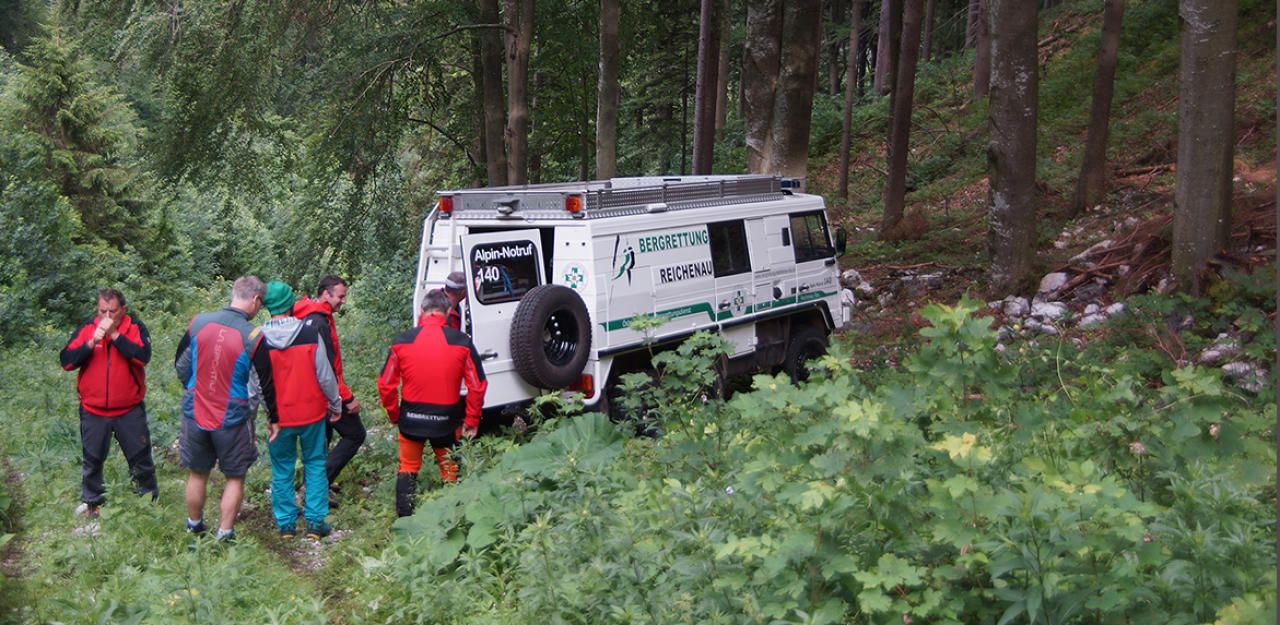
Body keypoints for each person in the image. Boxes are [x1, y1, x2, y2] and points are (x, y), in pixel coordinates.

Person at [174, 276, 273, 544]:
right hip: (233, 416)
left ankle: (194, 526)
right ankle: (225, 534)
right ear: (255, 300)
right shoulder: (253, 336)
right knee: (235, 475)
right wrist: (273, 418)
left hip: (195, 409)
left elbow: (181, 364)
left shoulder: (199, 322)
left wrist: (194, 388)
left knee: (197, 472)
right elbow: (265, 384)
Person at [378, 289, 487, 517]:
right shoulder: (462, 342)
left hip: (411, 417)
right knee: (450, 469)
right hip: (446, 420)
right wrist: (472, 419)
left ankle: (405, 521)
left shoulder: (402, 341)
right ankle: (454, 518)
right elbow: (477, 385)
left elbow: (386, 384)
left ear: (422, 310)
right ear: (448, 312)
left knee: (408, 467)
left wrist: (395, 414)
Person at [251, 282, 340, 539]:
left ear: (266, 306)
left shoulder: (257, 338)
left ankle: (286, 524)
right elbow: (325, 375)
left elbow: (255, 383)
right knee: (315, 463)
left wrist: (261, 414)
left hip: (278, 417)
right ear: (291, 304)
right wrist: (335, 403)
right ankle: (315, 522)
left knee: (282, 468)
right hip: (312, 413)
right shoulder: (309, 333)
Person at [59, 288, 157, 517]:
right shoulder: (87, 328)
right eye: (103, 311)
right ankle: (93, 503)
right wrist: (92, 342)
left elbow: (142, 357)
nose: (107, 316)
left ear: (122, 309)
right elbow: (66, 361)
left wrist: (114, 335)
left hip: (129, 409)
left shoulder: (135, 328)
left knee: (140, 457)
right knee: (92, 459)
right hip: (93, 409)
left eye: (112, 311)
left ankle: (148, 502)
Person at [292, 275, 365, 506]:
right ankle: (316, 486)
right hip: (325, 392)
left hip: (315, 391)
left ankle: (314, 482)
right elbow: (324, 368)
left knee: (323, 437)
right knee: (355, 434)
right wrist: (346, 398)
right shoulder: (318, 321)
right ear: (326, 293)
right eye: (340, 296)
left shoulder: (313, 315)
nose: (343, 301)